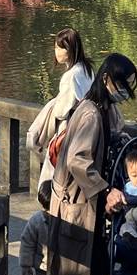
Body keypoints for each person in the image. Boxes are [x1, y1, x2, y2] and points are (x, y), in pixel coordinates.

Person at [47, 53, 137, 275]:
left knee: (97, 265)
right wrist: (105, 189)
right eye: (121, 84)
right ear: (106, 80)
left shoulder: (101, 109)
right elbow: (77, 160)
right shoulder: (89, 113)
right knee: (80, 268)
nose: (124, 90)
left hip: (88, 204)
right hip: (77, 203)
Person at [28, 28, 94, 196]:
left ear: (70, 49)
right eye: (56, 47)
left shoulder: (71, 76)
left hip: (69, 130)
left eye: (60, 48)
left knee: (55, 174)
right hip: (85, 129)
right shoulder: (87, 69)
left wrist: (54, 104)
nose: (56, 52)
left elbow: (61, 111)